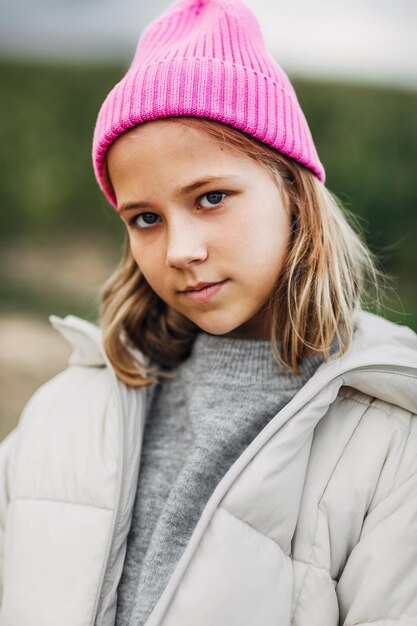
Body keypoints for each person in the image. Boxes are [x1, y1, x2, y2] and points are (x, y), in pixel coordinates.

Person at [1, 0, 416, 624]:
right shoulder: (64, 413)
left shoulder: (391, 441)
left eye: (212, 198)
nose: (180, 250)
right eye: (146, 218)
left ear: (293, 191)